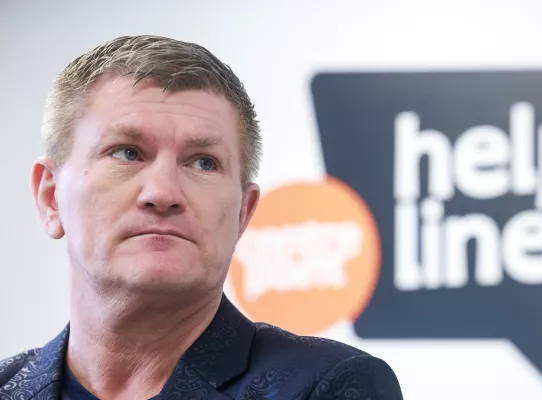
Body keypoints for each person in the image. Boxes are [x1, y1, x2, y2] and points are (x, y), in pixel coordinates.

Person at [0, 35, 403, 400]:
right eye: (127, 152)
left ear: (243, 214)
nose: (162, 193)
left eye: (203, 163)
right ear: (50, 196)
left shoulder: (325, 386)